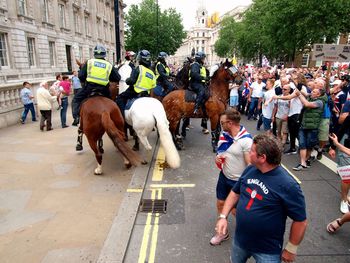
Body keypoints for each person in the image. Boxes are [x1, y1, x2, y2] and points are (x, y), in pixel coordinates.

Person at [215, 134, 307, 263]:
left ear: (262, 158)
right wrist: (223, 217)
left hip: (267, 250)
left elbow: (300, 220)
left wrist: (291, 248)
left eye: (252, 151)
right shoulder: (250, 169)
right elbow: (235, 193)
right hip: (240, 242)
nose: (248, 152)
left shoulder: (288, 185)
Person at [210, 108, 252, 246]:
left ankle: (249, 234)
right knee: (221, 204)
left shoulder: (246, 141)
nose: (221, 125)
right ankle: (223, 233)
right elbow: (222, 151)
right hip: (224, 176)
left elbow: (250, 165)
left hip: (238, 181)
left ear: (230, 123)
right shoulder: (226, 134)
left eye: (222, 123)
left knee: (236, 211)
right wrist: (218, 158)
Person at [72, 44, 121, 125]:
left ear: (94, 54)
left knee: (76, 100)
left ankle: (76, 118)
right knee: (113, 102)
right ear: (104, 54)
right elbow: (117, 78)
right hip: (104, 90)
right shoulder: (108, 64)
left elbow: (81, 76)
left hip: (89, 89)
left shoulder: (90, 62)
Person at [293, 88, 326, 171]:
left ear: (318, 95)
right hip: (303, 126)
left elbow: (307, 104)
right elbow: (305, 93)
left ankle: (306, 160)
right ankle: (302, 163)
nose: (311, 92)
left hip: (312, 128)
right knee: (302, 144)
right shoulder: (310, 97)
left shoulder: (320, 102)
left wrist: (299, 95)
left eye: (314, 91)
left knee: (309, 146)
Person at [115, 50, 156, 117]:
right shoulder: (152, 73)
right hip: (146, 94)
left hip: (135, 92)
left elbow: (132, 81)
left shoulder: (139, 68)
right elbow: (152, 89)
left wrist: (127, 80)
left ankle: (122, 119)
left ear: (140, 59)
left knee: (120, 99)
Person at [329, 101, 350, 213]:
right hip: (346, 145)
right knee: (347, 175)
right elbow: (341, 130)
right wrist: (333, 147)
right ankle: (344, 200)